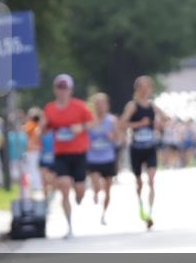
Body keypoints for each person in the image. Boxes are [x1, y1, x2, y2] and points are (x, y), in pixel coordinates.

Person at [42, 74, 93, 239]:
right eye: (59, 87)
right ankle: (69, 226)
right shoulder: (49, 108)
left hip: (79, 153)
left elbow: (92, 123)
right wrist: (42, 127)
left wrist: (81, 127)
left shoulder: (79, 106)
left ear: (70, 90)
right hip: (61, 154)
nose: (62, 91)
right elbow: (44, 128)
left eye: (65, 88)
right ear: (55, 89)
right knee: (64, 186)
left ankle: (79, 196)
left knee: (80, 189)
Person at [119, 75, 164, 230]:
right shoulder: (132, 106)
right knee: (139, 182)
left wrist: (160, 123)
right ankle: (141, 206)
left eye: (148, 86)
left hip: (150, 147)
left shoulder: (153, 106)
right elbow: (122, 124)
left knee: (151, 180)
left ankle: (150, 214)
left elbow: (166, 119)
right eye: (142, 87)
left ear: (151, 88)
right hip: (136, 149)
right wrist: (139, 123)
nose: (145, 89)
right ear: (137, 89)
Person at [86, 92, 117, 226]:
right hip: (93, 158)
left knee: (108, 189)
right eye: (97, 104)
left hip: (108, 157)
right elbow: (84, 137)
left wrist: (112, 136)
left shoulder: (112, 120)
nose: (100, 107)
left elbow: (119, 138)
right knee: (97, 184)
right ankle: (95, 191)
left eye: (103, 104)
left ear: (107, 105)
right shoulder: (90, 121)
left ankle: (104, 214)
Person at [23, 107, 44, 194]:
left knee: (33, 168)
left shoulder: (30, 125)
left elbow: (26, 134)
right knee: (37, 168)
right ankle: (38, 184)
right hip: (40, 149)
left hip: (32, 150)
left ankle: (37, 185)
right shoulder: (40, 124)